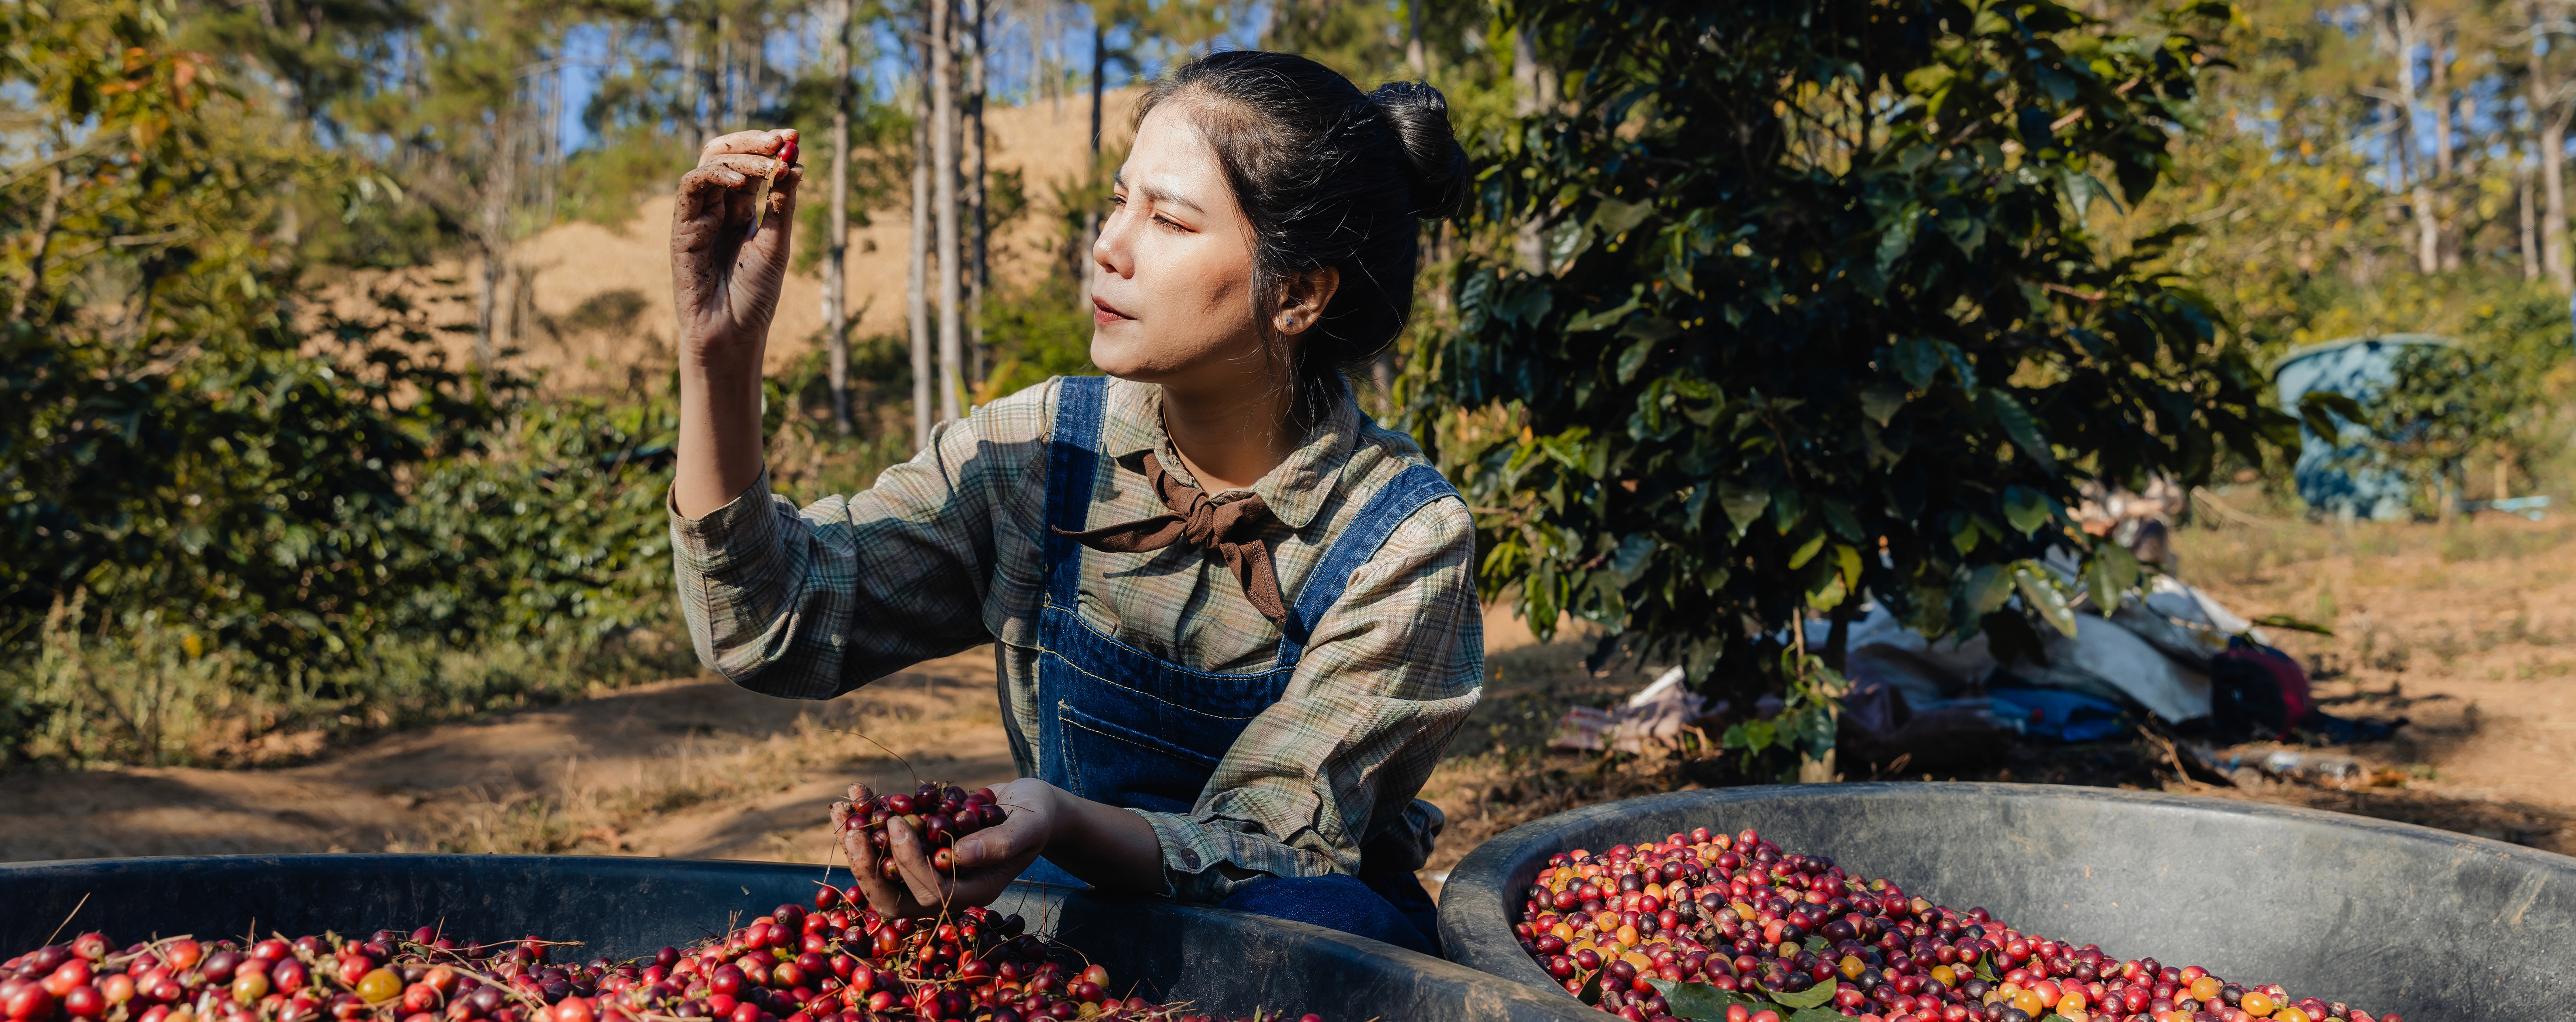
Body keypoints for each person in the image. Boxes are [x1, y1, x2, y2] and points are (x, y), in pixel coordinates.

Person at [663, 50, 1479, 956]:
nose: (1108, 245)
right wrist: (720, 361)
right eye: (1119, 200)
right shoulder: (1046, 449)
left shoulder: (1399, 540)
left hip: (1296, 939)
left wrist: (1059, 820)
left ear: (1297, 293)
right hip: (1080, 906)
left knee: (1331, 929)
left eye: (1167, 220)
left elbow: (1270, 841)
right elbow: (778, 622)